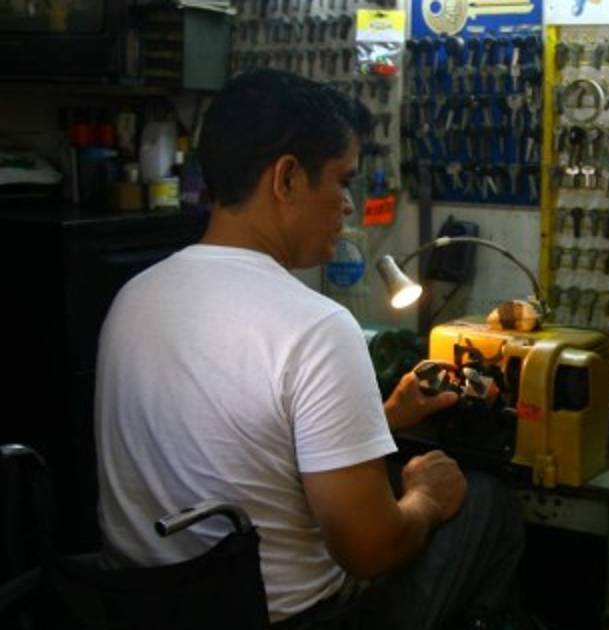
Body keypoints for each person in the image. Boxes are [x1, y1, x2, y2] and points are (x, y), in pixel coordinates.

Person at [94, 69, 523, 629]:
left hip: (141, 610)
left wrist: (385, 418)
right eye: (342, 181)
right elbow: (370, 550)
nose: (347, 206)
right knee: (487, 501)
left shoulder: (133, 298)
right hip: (295, 620)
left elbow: (238, 453)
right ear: (288, 178)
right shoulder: (316, 327)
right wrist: (426, 498)